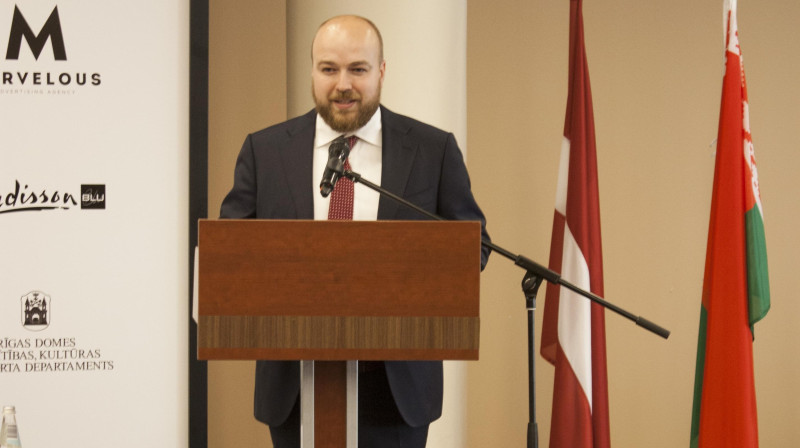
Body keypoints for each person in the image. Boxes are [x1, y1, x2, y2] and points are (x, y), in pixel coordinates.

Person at [219, 15, 490, 448]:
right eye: (329, 69)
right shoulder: (265, 150)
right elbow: (231, 253)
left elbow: (472, 245)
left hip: (394, 386)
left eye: (357, 70)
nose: (342, 84)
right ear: (313, 71)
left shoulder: (432, 150)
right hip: (295, 386)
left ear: (381, 71)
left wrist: (396, 280)